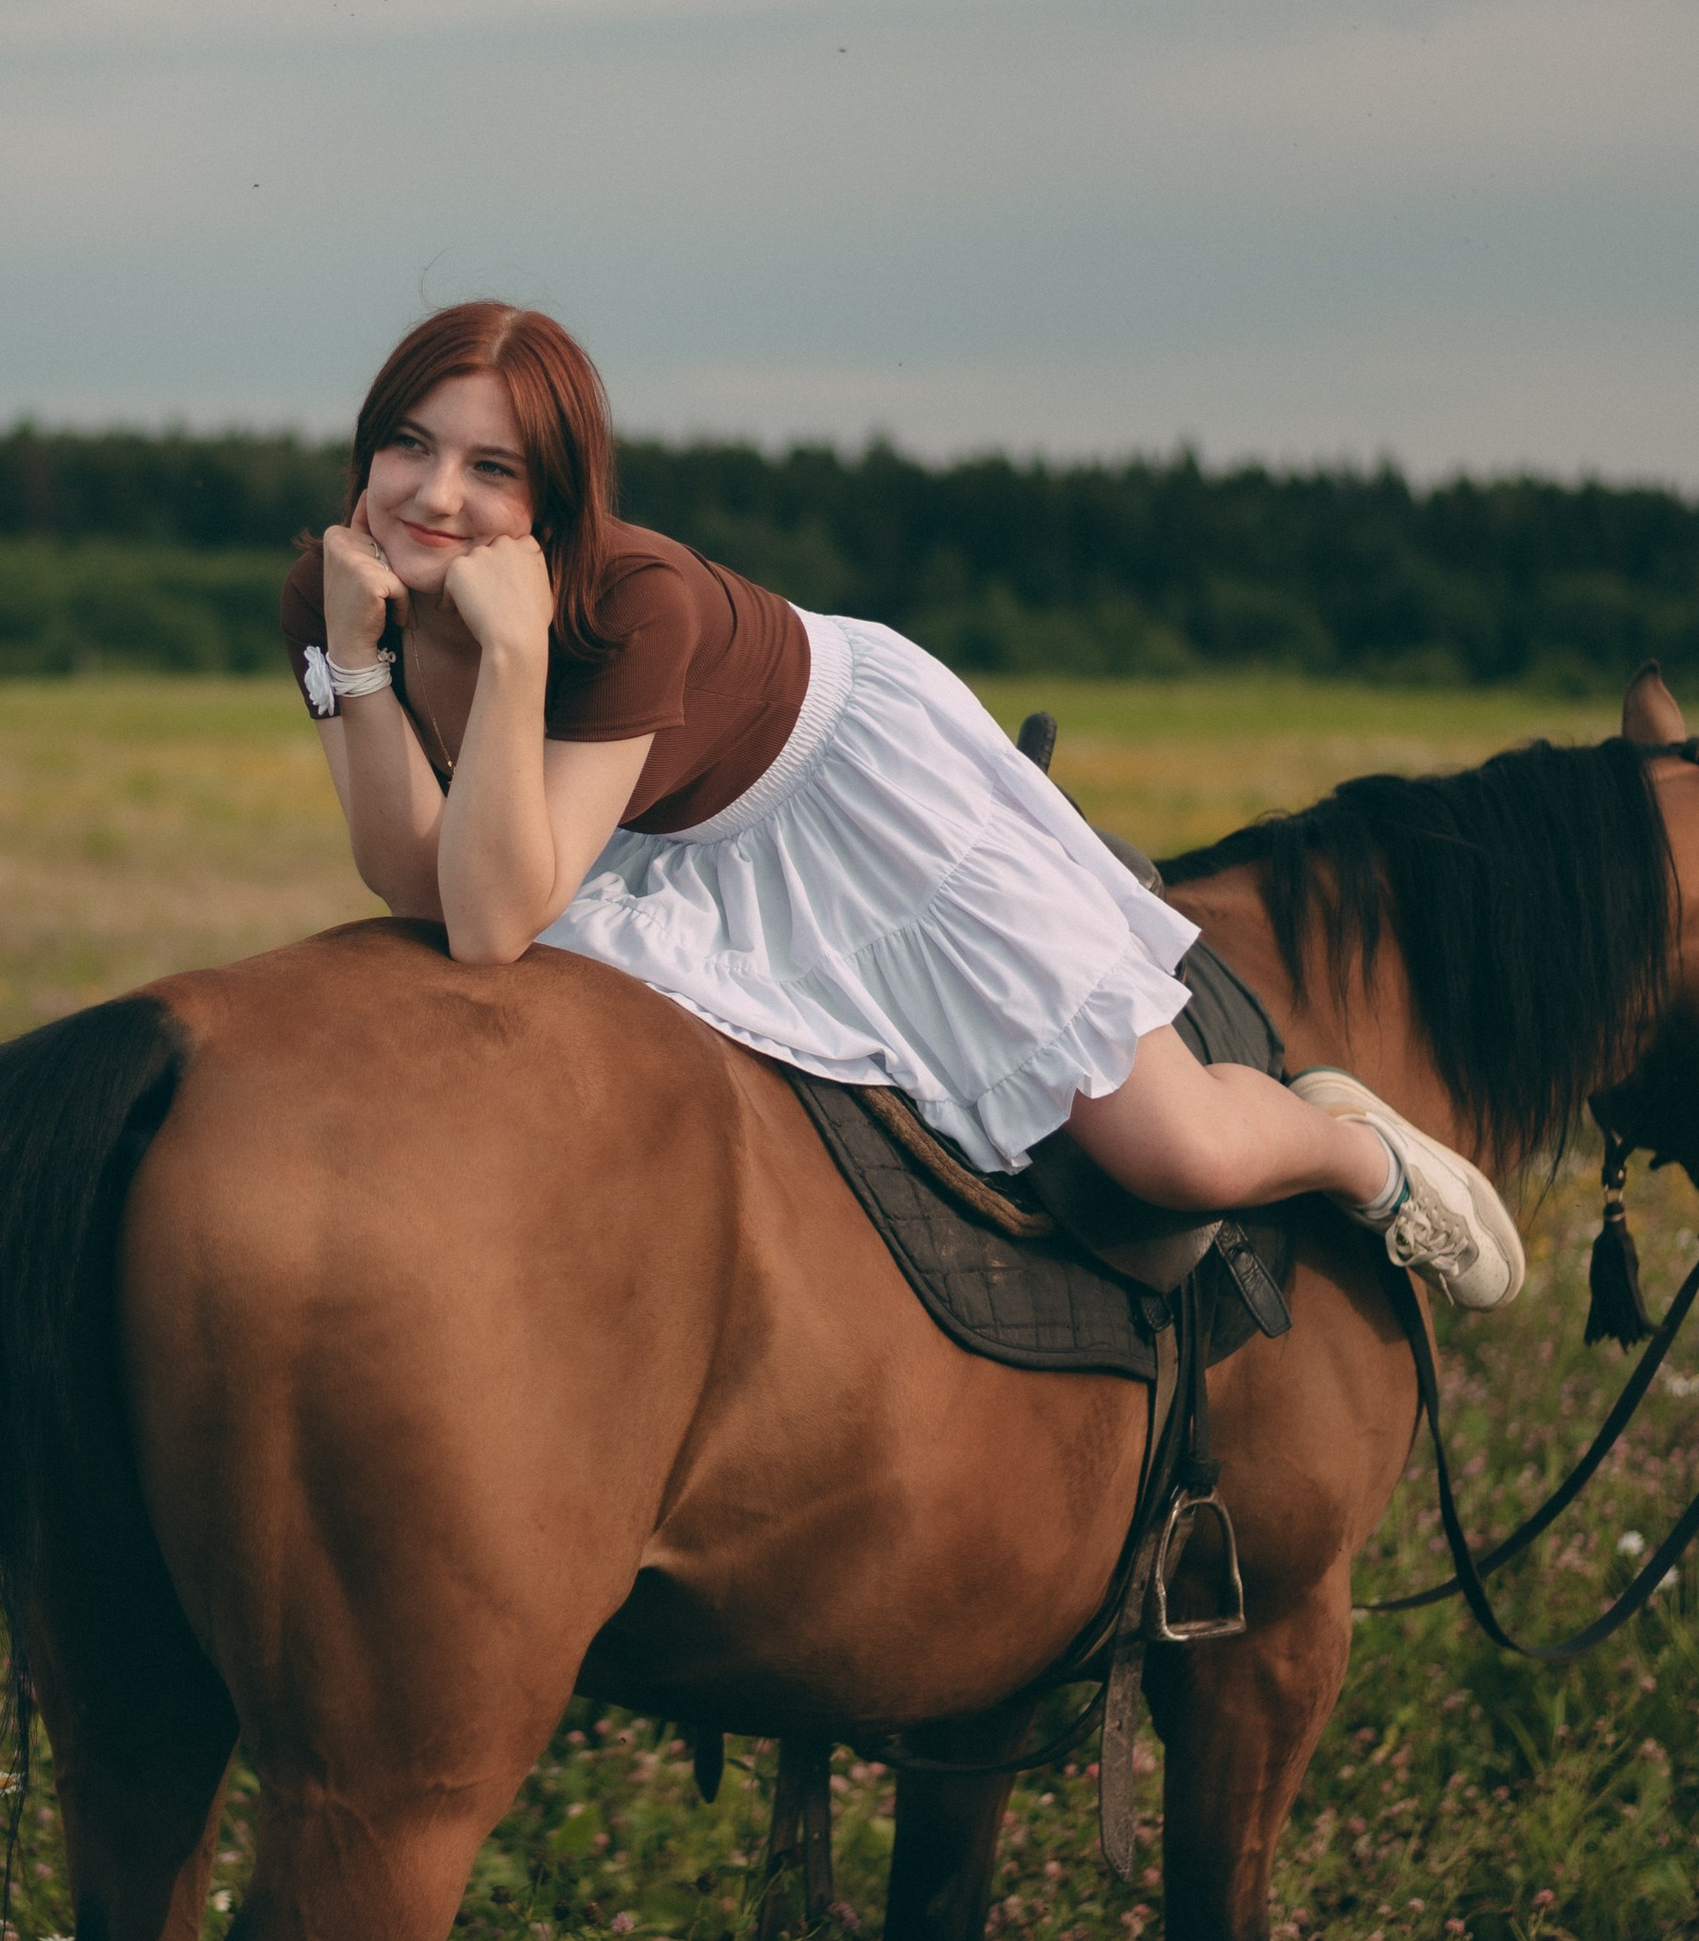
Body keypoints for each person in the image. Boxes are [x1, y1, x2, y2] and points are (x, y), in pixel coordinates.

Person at [278, 299, 1525, 1309]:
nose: (434, 495)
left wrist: (514, 653)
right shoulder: (335, 596)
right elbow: (417, 880)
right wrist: (357, 659)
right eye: (410, 445)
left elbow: (489, 922)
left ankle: (1355, 1147)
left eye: (490, 468)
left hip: (851, 797)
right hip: (637, 839)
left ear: (551, 506)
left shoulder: (628, 604)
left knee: (1174, 1151)